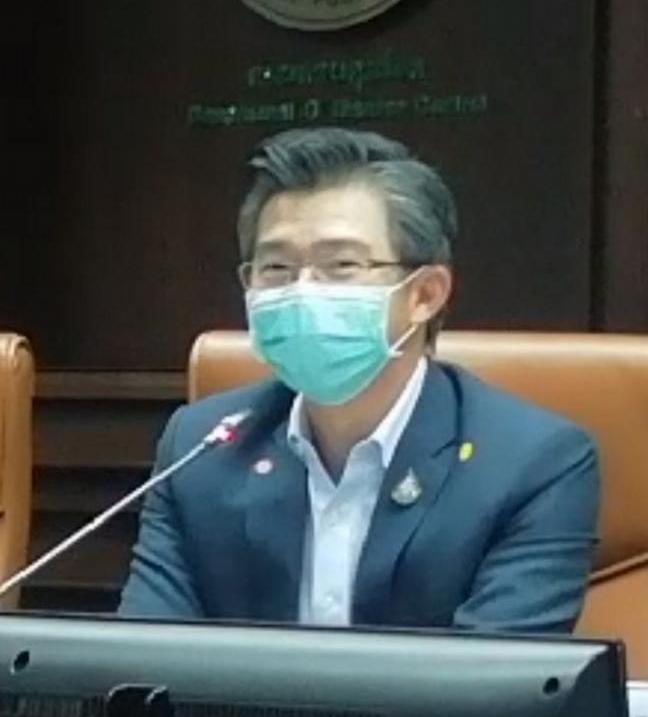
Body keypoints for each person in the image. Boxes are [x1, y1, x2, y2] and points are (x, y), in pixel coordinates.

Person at [118, 127, 599, 632]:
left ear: (425, 294)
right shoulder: (200, 449)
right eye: (276, 267)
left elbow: (494, 675)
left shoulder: (531, 464)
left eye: (341, 265)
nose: (302, 291)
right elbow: (146, 655)